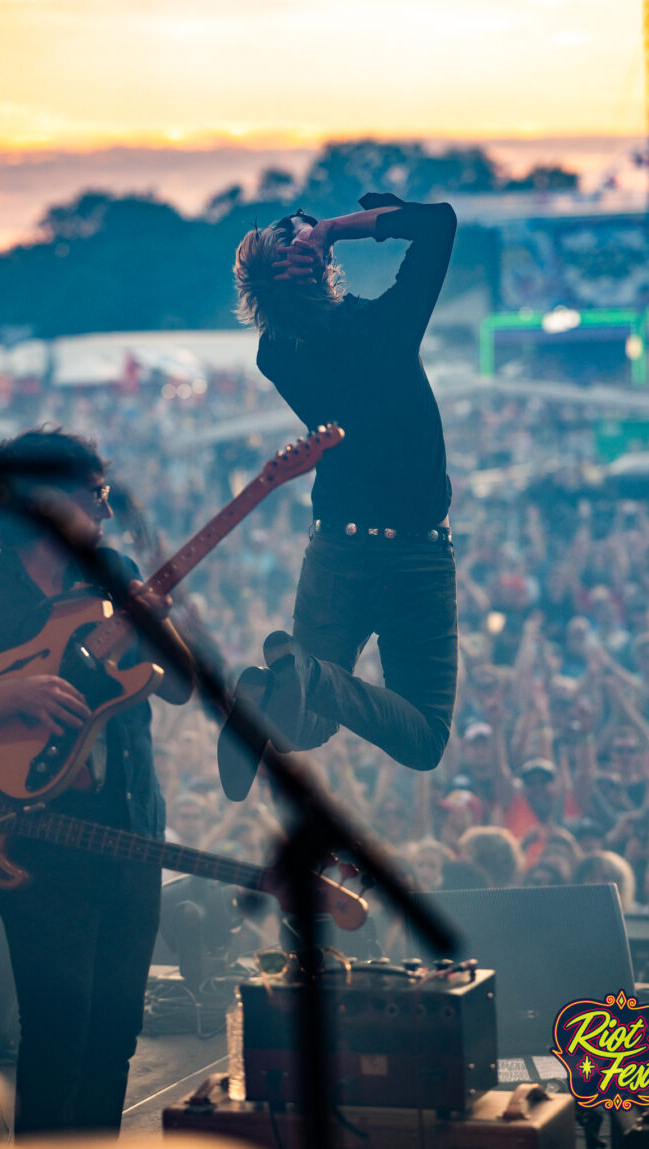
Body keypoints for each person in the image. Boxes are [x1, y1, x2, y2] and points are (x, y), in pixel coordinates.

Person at [0, 428, 194, 1136]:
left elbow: (181, 685)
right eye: (97, 493)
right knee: (59, 1037)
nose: (108, 512)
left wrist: (159, 625)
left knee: (116, 1038)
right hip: (35, 844)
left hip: (132, 835)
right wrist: (14, 695)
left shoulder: (112, 572)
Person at [219, 194, 459, 800]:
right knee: (425, 737)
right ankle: (311, 683)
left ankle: (268, 707)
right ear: (320, 261)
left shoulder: (274, 354)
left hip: (338, 551)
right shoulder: (388, 328)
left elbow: (291, 316)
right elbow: (439, 224)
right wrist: (337, 228)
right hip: (416, 557)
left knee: (302, 730)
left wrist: (296, 255)